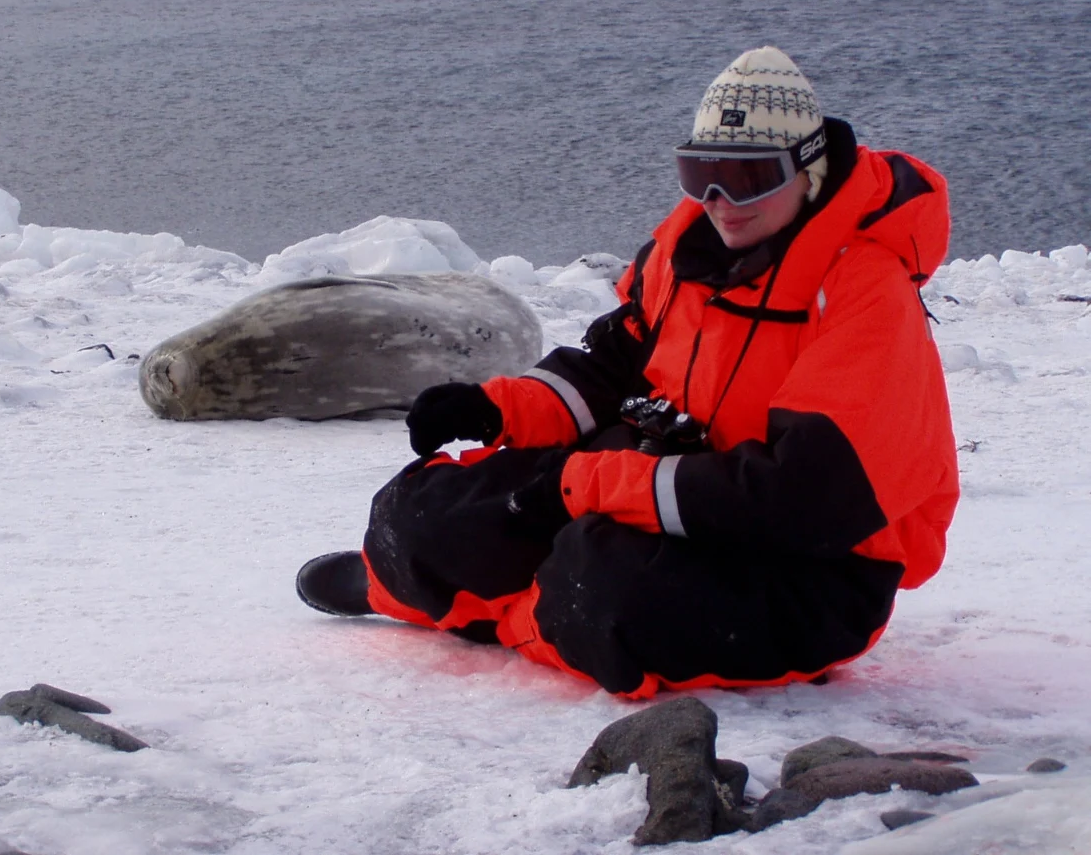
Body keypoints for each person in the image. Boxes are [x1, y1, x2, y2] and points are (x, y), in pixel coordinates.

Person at [295, 46, 960, 700]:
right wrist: (495, 409)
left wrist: (596, 483)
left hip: (812, 567)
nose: (722, 201)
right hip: (665, 492)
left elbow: (803, 501)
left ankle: (502, 612)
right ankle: (407, 583)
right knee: (426, 515)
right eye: (701, 173)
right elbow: (612, 371)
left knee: (603, 587)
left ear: (808, 172)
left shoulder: (863, 293)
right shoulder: (683, 259)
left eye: (751, 177)